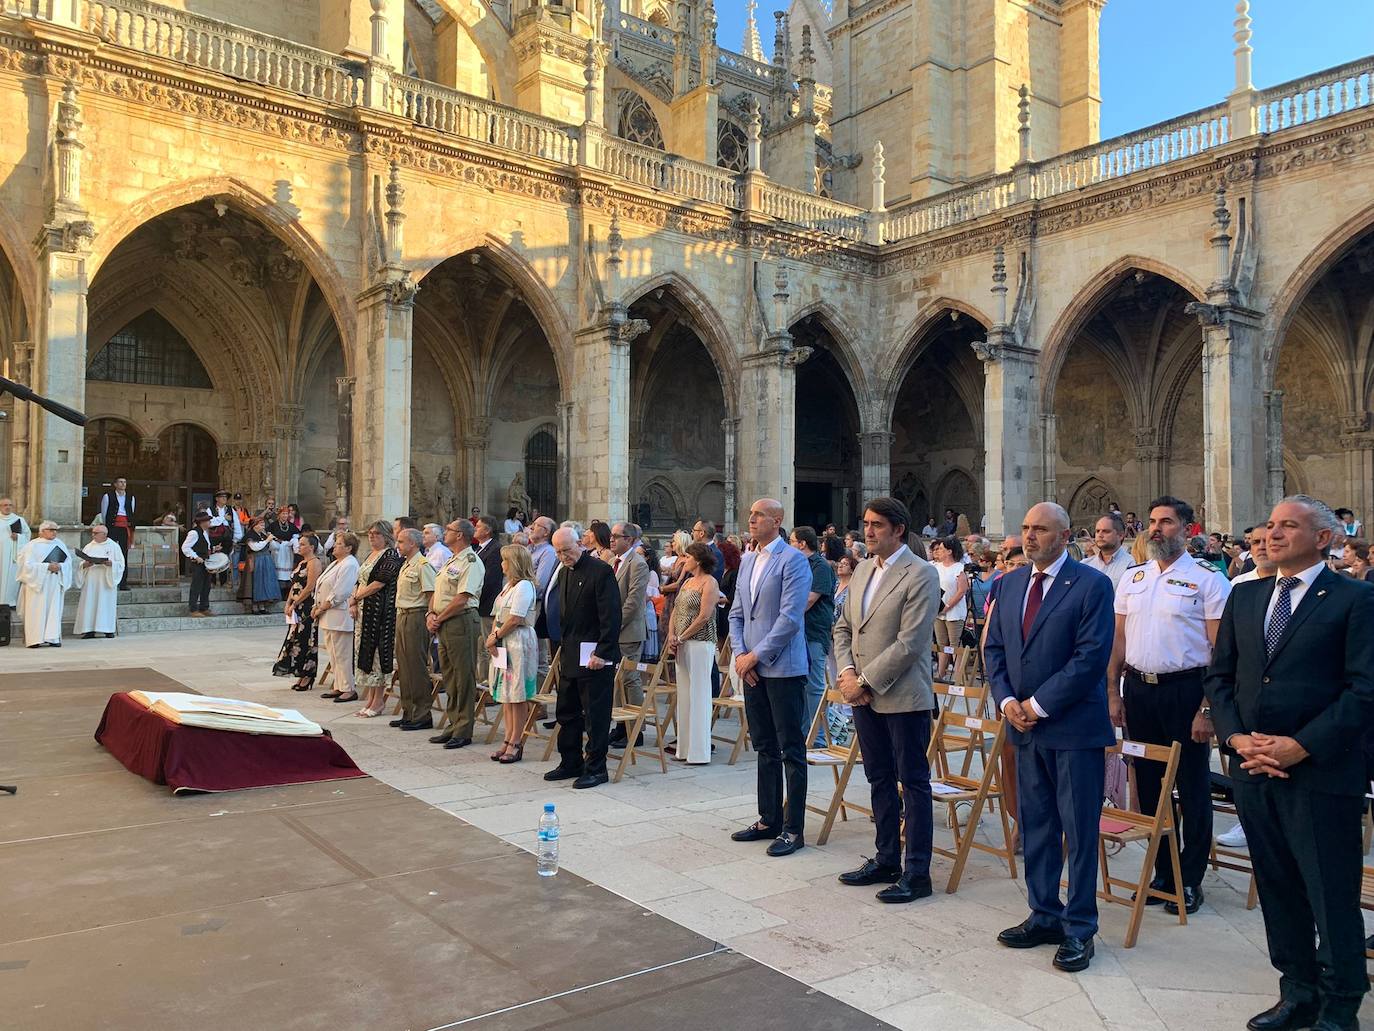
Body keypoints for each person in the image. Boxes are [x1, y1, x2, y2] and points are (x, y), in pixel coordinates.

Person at [1205, 496, 1374, 1031]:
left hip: (1322, 773)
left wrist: (1300, 745)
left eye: (1288, 526)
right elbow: (1221, 678)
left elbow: (1364, 689)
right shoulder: (1248, 596)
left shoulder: (1355, 599)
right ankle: (1296, 990)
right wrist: (1235, 739)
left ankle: (1341, 1003)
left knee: (1331, 893)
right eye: (1270, 526)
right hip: (1253, 770)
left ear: (1324, 538)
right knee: (1277, 887)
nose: (1272, 534)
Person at [984, 502, 1115, 972]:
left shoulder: (1092, 585)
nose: (1030, 536)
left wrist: (1036, 705)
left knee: (1078, 831)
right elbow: (995, 647)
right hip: (1023, 728)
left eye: (1040, 529)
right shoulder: (1012, 581)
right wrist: (1006, 702)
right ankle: (1044, 913)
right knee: (1037, 824)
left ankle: (1079, 926)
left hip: (1072, 728)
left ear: (1063, 535)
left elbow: (1089, 657)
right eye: (1025, 529)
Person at [1107, 495, 1231, 916]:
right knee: (1149, 783)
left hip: (1186, 691)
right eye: (1153, 521)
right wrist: (1112, 691)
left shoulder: (1208, 579)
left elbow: (1220, 652)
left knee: (1192, 785)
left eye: (1167, 522)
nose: (1157, 529)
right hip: (1140, 690)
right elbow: (1119, 640)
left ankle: (1190, 878)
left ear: (1188, 529)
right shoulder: (1134, 577)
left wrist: (1207, 709)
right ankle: (1163, 872)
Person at [833, 497, 941, 902]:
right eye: (866, 523)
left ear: (898, 529)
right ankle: (886, 857)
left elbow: (910, 642)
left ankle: (917, 871)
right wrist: (846, 674)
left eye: (877, 524)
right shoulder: (862, 569)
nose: (869, 530)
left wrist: (864, 681)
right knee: (878, 776)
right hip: (862, 693)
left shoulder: (920, 573)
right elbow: (843, 627)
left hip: (902, 695)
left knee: (912, 782)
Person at [728, 498, 811, 857]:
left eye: (759, 515)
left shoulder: (793, 560)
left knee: (791, 748)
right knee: (763, 745)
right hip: (751, 667)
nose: (752, 519)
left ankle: (793, 829)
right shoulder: (747, 560)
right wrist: (739, 656)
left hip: (783, 665)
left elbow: (790, 618)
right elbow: (735, 614)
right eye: (751, 514)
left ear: (777, 520)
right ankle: (768, 819)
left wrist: (755, 656)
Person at [544, 527, 621, 789]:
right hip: (570, 652)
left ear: (580, 543)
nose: (563, 556)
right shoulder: (565, 572)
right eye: (558, 552)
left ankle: (596, 768)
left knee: (595, 715)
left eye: (566, 550)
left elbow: (610, 616)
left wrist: (603, 651)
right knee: (567, 711)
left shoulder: (600, 572)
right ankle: (570, 761)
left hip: (595, 656)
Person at [427, 519, 484, 750]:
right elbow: (438, 591)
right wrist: (431, 613)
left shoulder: (471, 561)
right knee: (449, 675)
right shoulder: (452, 559)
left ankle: (463, 728)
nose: (445, 532)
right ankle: (452, 724)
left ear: (459, 535)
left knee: (463, 676)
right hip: (445, 621)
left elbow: (462, 598)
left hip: (460, 621)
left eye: (449, 530)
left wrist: (439, 618)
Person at [666, 542, 720, 764]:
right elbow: (676, 610)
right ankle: (684, 748)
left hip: (700, 642)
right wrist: (671, 635)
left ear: (697, 560)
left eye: (687, 556)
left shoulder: (710, 582)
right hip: (681, 642)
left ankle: (699, 751)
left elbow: (704, 616)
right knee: (685, 693)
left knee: (699, 693)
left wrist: (683, 636)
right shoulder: (688, 581)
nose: (684, 560)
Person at [486, 544, 540, 763]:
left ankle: (516, 741)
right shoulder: (508, 586)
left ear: (515, 563)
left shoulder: (525, 586)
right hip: (502, 640)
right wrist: (493, 638)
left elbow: (516, 618)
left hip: (517, 642)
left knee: (517, 695)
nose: (502, 564)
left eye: (505, 560)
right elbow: (497, 614)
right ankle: (507, 738)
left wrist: (496, 635)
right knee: (505, 695)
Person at [350, 521, 403, 718]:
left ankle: (378, 700)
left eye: (376, 533)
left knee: (378, 655)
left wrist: (356, 598)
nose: (372, 536)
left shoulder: (390, 555)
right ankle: (370, 698)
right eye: (370, 533)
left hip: (380, 613)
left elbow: (378, 583)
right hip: (364, 610)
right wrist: (353, 601)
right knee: (365, 652)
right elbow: (359, 581)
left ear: (387, 536)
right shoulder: (369, 555)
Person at [790, 526, 835, 747]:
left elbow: (809, 600)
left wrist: (785, 613)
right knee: (800, 684)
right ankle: (803, 731)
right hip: (798, 632)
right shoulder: (798, 564)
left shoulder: (820, 566)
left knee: (814, 685)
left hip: (814, 631)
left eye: (792, 541)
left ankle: (816, 737)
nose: (790, 545)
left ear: (802, 544)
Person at [389, 527, 436, 730]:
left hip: (416, 615)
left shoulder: (422, 565)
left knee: (416, 666)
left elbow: (431, 594)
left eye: (401, 541)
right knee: (404, 666)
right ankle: (408, 711)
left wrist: (430, 616)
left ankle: (422, 713)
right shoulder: (406, 564)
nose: (398, 545)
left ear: (413, 544)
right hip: (402, 614)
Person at [609, 521, 650, 747]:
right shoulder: (612, 561)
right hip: (614, 630)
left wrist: (614, 624)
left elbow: (633, 601)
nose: (612, 539)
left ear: (631, 540)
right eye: (612, 535)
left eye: (617, 536)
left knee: (630, 679)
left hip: (628, 631)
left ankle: (636, 730)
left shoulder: (638, 564)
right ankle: (620, 726)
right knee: (617, 680)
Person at [312, 531, 360, 703]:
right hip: (328, 615)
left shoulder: (350, 564)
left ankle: (348, 688)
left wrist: (322, 607)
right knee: (334, 653)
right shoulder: (336, 563)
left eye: (339, 544)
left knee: (343, 654)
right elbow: (322, 586)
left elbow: (341, 592)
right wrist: (316, 605)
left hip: (339, 615)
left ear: (348, 548)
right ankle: (339, 685)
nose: (334, 546)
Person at [273, 533, 322, 690]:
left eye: (302, 544)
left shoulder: (314, 563)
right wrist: (288, 603)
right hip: (296, 605)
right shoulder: (301, 563)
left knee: (306, 639)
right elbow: (294, 585)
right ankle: (299, 672)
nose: (299, 546)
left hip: (306, 606)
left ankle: (308, 674)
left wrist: (296, 603)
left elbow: (310, 587)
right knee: (295, 639)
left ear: (311, 547)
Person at [17, 521, 72, 647]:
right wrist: (47, 566)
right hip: (37, 584)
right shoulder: (32, 546)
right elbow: (26, 566)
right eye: (51, 529)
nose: (54, 532)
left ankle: (53, 638)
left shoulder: (60, 544)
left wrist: (60, 566)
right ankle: (34, 639)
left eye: (55, 530)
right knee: (36, 610)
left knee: (54, 610)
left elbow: (68, 563)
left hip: (54, 582)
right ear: (42, 531)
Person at [74, 523, 124, 639]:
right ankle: (89, 630)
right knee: (90, 604)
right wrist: (85, 565)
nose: (93, 535)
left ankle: (108, 629)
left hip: (106, 580)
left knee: (105, 604)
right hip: (91, 580)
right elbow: (81, 563)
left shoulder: (113, 546)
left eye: (96, 533)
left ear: (104, 534)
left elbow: (121, 564)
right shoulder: (89, 546)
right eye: (93, 533)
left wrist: (111, 564)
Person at [930, 536, 970, 680]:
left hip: (954, 611)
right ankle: (941, 673)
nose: (938, 551)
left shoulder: (958, 568)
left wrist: (947, 606)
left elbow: (961, 590)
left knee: (954, 643)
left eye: (941, 549)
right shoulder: (935, 567)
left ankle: (958, 675)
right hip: (938, 611)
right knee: (941, 643)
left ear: (949, 551)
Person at [473, 515, 503, 688]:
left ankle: (488, 684)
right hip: (479, 605)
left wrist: (475, 597)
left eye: (478, 526)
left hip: (486, 604)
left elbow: (490, 580)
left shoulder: (495, 549)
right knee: (480, 647)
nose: (475, 529)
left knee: (487, 646)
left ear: (487, 530)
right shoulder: (479, 549)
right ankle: (482, 680)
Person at [528, 515, 558, 678]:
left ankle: (539, 699)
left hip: (536, 604)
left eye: (536, 525)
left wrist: (522, 592)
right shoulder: (531, 549)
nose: (531, 527)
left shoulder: (547, 552)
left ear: (546, 532)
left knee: (538, 651)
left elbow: (540, 583)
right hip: (527, 603)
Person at [97, 476, 137, 590]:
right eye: (120, 482)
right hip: (113, 527)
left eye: (124, 482)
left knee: (124, 554)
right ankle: (109, 580)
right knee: (110, 553)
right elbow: (104, 513)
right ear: (115, 484)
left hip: (125, 528)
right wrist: (106, 527)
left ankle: (123, 583)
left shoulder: (131, 497)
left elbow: (131, 512)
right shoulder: (107, 496)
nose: (123, 484)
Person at [0, 497, 30, 644]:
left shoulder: (19, 520)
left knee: (10, 579)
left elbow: (27, 536)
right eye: (5, 505)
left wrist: (18, 537)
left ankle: (10, 602)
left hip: (12, 557)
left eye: (10, 505)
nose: (7, 507)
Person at [181, 510, 220, 617]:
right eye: (208, 520)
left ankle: (204, 607)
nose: (209, 522)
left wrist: (213, 548)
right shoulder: (194, 533)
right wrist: (195, 557)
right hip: (198, 563)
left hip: (205, 563)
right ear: (202, 522)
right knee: (197, 585)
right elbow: (185, 547)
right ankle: (193, 609)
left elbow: (203, 547)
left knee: (206, 586)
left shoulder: (204, 533)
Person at [1083, 513, 1132, 589]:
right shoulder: (1085, 564)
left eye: (1106, 531)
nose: (1100, 535)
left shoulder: (1131, 565)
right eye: (1097, 531)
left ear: (1120, 535)